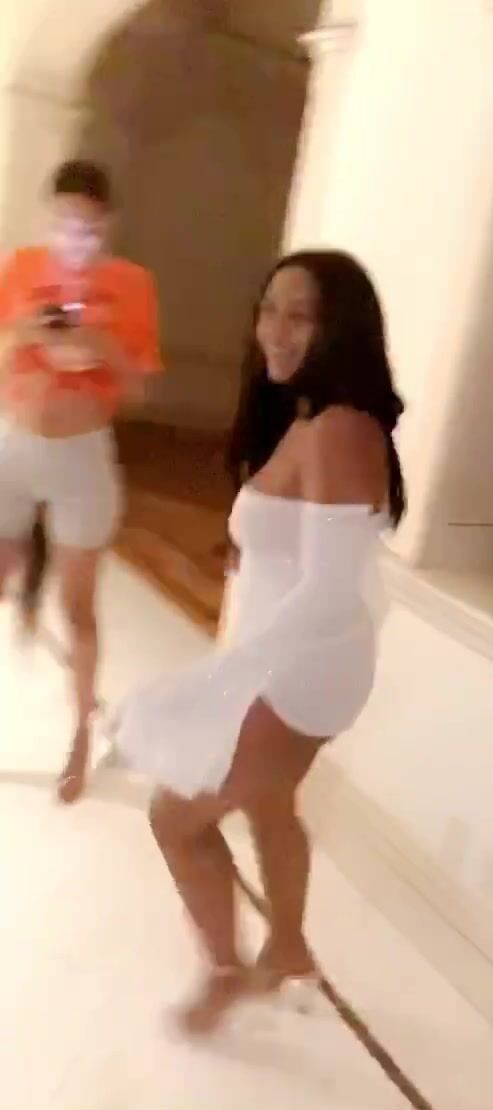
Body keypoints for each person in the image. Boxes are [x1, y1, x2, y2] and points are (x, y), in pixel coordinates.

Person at [109, 249, 406, 1033]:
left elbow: (329, 590)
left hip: (302, 668)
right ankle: (289, 950)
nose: (273, 329)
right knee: (272, 804)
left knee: (175, 818)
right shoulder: (314, 419)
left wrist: (212, 681)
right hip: (298, 655)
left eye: (298, 315)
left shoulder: (340, 430)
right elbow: (310, 559)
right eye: (268, 309)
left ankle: (227, 971)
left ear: (340, 330)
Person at [0, 159, 161, 803]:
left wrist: (102, 344)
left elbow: (140, 390)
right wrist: (24, 332)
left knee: (77, 607)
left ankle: (79, 736)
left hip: (81, 455)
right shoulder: (21, 268)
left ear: (108, 224)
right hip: (13, 444)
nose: (76, 235)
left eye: (89, 226)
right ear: (50, 217)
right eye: (66, 221)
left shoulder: (131, 284)